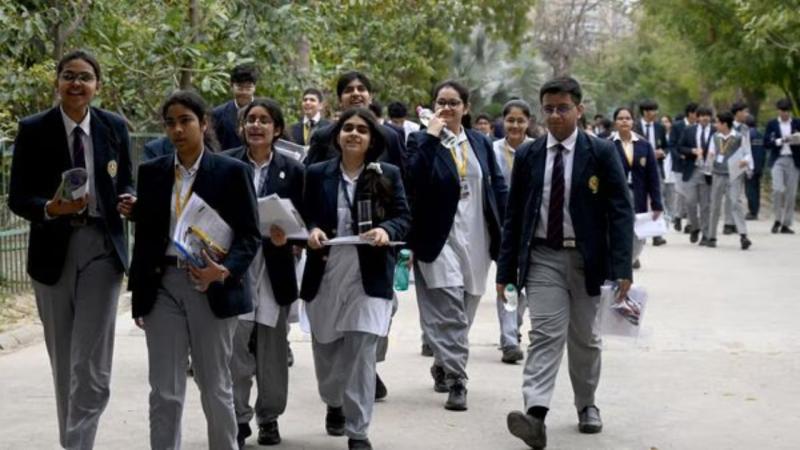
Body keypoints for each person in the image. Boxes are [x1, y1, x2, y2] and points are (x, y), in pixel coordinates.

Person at [497, 76, 633, 450]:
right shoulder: (529, 155)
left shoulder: (601, 152)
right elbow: (514, 216)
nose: (555, 115)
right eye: (549, 109)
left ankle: (587, 404)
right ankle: (535, 414)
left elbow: (621, 211)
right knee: (545, 333)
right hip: (543, 257)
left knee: (585, 338)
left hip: (589, 260)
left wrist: (623, 267)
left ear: (579, 109)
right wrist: (506, 271)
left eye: (563, 108)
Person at [8, 49, 134, 450]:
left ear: (98, 85)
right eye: (69, 76)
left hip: (102, 248)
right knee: (64, 359)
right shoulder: (33, 129)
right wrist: (50, 207)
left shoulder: (115, 126)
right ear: (57, 82)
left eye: (85, 77)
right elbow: (18, 197)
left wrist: (129, 199)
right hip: (52, 251)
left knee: (90, 362)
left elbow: (126, 181)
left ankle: (78, 443)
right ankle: (74, 441)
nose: (76, 83)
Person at [128, 90, 261, 450]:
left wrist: (224, 271)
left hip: (209, 284)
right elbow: (146, 237)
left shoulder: (232, 172)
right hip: (162, 285)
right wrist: (139, 295)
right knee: (164, 389)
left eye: (185, 121)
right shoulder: (152, 172)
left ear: (203, 124)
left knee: (214, 384)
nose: (177, 129)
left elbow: (250, 236)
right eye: (170, 123)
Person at [301, 108, 410, 450]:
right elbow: (302, 214)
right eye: (347, 127)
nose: (354, 133)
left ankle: (358, 431)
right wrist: (311, 230)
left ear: (372, 139)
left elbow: (403, 217)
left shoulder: (387, 173)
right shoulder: (317, 173)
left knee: (362, 352)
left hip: (370, 276)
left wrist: (386, 229)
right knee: (327, 350)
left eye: (362, 129)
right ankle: (334, 401)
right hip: (326, 272)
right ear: (337, 136)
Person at [406, 80, 507, 411]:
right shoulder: (421, 140)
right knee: (449, 307)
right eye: (441, 102)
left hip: (476, 236)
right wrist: (431, 137)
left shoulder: (480, 142)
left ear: (466, 107)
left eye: (453, 103)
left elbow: (497, 187)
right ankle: (457, 379)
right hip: (438, 237)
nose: (446, 108)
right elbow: (412, 181)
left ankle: (443, 360)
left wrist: (506, 231)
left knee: (465, 308)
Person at [223, 98, 304, 447]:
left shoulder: (293, 169)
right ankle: (238, 418)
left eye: (264, 120)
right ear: (242, 127)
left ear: (277, 129)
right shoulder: (226, 163)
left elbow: (303, 218)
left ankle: (269, 417)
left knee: (272, 352)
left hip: (275, 266)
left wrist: (291, 237)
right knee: (235, 348)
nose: (256, 126)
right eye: (250, 120)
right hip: (236, 265)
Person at [492, 99, 534, 364]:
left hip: (531, 228)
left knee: (526, 285)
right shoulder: (492, 150)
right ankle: (509, 340)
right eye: (510, 120)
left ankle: (513, 327)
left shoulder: (537, 149)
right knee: (507, 280)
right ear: (503, 121)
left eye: (520, 121)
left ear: (528, 123)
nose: (515, 125)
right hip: (501, 228)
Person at [305, 71, 406, 176]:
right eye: (348, 90)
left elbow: (402, 178)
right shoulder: (323, 136)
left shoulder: (390, 137)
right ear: (340, 100)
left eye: (361, 89)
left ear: (370, 97)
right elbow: (311, 178)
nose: (356, 93)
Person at [611, 107, 663, 267]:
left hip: (638, 194)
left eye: (627, 118)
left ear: (633, 122)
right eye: (620, 118)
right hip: (615, 196)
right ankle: (621, 263)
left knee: (638, 233)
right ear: (615, 122)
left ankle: (630, 259)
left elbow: (653, 177)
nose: (624, 121)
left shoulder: (644, 145)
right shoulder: (607, 145)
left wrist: (656, 203)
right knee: (617, 230)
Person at [706, 111, 753, 249]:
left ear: (724, 124)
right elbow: (711, 153)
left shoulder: (739, 137)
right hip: (717, 173)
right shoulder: (715, 137)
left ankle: (743, 235)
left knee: (735, 202)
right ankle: (711, 236)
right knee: (715, 205)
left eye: (717, 122)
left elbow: (747, 153)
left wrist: (745, 161)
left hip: (734, 174)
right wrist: (709, 162)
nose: (715, 125)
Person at [633, 99, 667, 246]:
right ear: (645, 112)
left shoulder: (660, 127)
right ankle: (639, 234)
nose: (656, 113)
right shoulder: (634, 127)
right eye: (653, 110)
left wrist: (662, 152)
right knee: (640, 201)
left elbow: (666, 145)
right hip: (638, 169)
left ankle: (657, 234)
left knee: (657, 198)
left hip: (656, 167)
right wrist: (649, 153)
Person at [679, 106, 714, 245]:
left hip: (708, 172)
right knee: (690, 202)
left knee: (705, 205)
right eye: (702, 115)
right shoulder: (689, 130)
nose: (705, 118)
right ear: (697, 117)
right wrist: (692, 151)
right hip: (692, 170)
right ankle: (695, 227)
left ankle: (705, 234)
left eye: (707, 115)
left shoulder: (715, 131)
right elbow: (680, 147)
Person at [764, 98, 800, 234]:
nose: (785, 113)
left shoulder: (797, 123)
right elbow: (766, 143)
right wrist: (781, 141)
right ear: (778, 111)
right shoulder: (772, 124)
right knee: (777, 189)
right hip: (777, 159)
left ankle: (786, 224)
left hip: (793, 160)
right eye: (782, 111)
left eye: (787, 111)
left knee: (791, 193)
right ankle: (777, 219)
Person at [212, 63, 258, 150]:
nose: (244, 92)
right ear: (231, 86)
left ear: (254, 87)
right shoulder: (218, 114)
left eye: (248, 88)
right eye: (240, 88)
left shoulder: (266, 112)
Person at [670, 103, 698, 232]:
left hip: (694, 165)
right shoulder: (677, 126)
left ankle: (690, 223)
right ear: (690, 113)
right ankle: (678, 216)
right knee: (681, 193)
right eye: (696, 113)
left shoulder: (699, 127)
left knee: (692, 195)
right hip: (680, 165)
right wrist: (679, 156)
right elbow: (672, 145)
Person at [744, 115, 766, 220]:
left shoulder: (747, 135)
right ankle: (756, 210)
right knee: (756, 188)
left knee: (750, 189)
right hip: (759, 165)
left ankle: (752, 212)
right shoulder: (760, 135)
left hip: (750, 166)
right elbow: (764, 151)